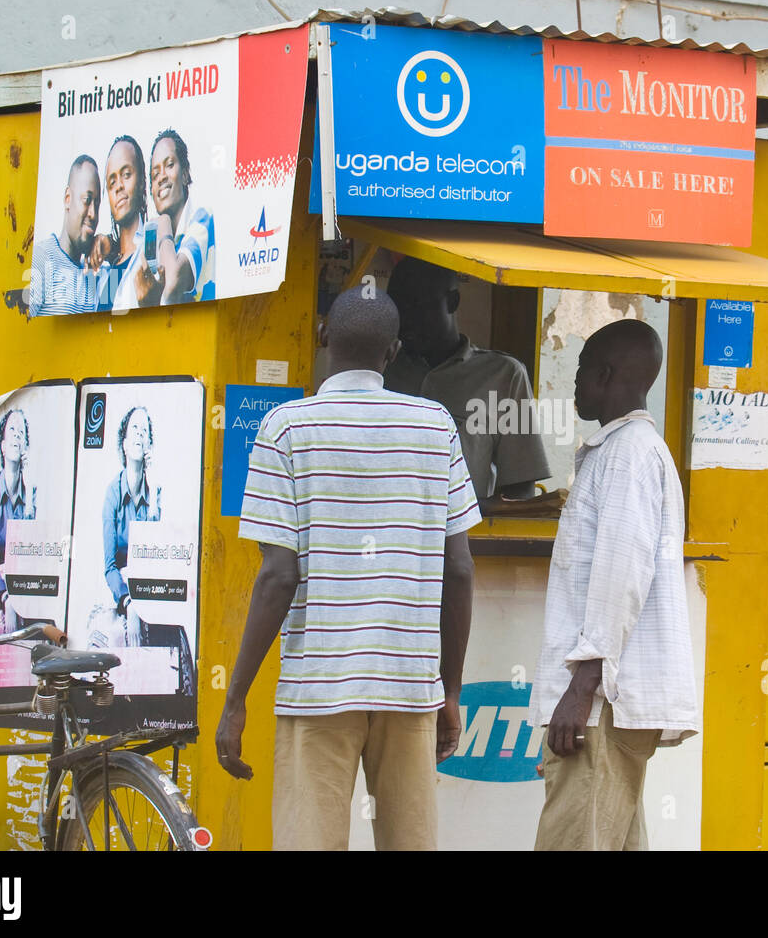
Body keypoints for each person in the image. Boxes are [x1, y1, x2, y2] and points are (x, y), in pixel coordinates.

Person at [215, 286, 480, 851]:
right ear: (393, 352)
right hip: (407, 685)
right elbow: (458, 569)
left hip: (318, 689)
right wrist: (450, 688)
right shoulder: (434, 426)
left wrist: (236, 698)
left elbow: (279, 576)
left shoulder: (286, 429)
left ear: (322, 337)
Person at [529, 318, 698, 851]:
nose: (574, 383)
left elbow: (620, 578)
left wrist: (581, 692)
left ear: (604, 375)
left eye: (580, 371)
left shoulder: (627, 454)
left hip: (602, 704)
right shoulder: (627, 450)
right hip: (610, 702)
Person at [383, 256, 550, 512]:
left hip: (466, 542)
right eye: (397, 308)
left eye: (417, 305)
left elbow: (520, 489)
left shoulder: (503, 376)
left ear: (453, 302)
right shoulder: (383, 370)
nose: (406, 319)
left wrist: (461, 516)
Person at [89, 404, 195, 695]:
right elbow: (109, 566)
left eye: (144, 430)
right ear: (123, 442)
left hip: (148, 585)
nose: (139, 434)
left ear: (149, 443)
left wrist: (153, 489)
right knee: (111, 640)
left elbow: (157, 550)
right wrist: (128, 602)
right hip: (120, 590)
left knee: (179, 641)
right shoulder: (112, 494)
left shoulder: (155, 490)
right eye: (133, 428)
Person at [0, 408, 36, 635]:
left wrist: (29, 488)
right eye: (12, 430)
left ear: (25, 447)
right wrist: (6, 596)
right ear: (2, 445)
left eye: (21, 433)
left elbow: (34, 550)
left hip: (25, 583)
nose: (17, 436)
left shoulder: (31, 492)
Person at [28, 156, 104, 316]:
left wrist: (109, 243)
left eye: (97, 204)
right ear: (67, 198)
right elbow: (17, 330)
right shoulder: (41, 259)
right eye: (87, 200)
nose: (93, 213)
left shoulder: (94, 273)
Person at [148, 129, 215, 304]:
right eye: (155, 175)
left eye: (169, 165)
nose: (161, 177)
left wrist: (163, 222)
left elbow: (173, 283)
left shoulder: (202, 218)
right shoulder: (155, 242)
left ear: (185, 175)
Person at [97, 135, 162, 312]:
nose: (118, 186)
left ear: (142, 181)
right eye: (112, 182)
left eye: (126, 175)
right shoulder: (102, 269)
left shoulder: (155, 247)